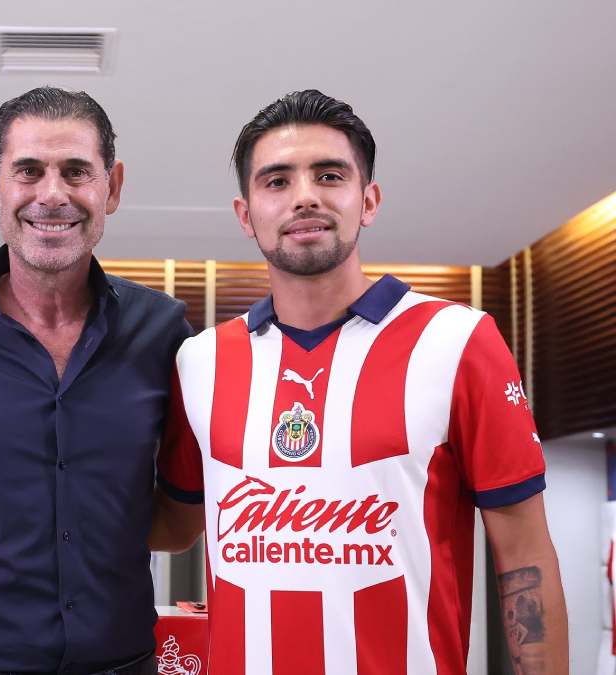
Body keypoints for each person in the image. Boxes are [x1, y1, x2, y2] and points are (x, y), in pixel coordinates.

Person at [151, 89, 568, 674]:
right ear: (246, 215)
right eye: (276, 181)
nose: (304, 197)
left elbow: (525, 555)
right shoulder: (199, 361)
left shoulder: (458, 341)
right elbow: (173, 524)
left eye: (329, 175)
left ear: (367, 200)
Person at [0, 87, 191, 674]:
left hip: (126, 663)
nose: (52, 195)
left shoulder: (164, 332)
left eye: (76, 171)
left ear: (111, 186)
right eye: (28, 170)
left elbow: (180, 515)